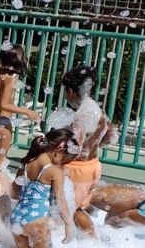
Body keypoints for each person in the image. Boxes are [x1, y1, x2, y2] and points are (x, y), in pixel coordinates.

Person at [48, 64, 117, 236]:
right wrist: (94, 145)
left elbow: (75, 146)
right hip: (93, 165)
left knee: (71, 209)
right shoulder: (97, 109)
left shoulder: (81, 114)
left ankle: (91, 243)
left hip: (77, 169)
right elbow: (111, 136)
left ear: (70, 91)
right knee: (74, 208)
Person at [7, 128, 76, 248]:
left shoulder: (25, 165)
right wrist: (69, 224)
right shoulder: (54, 171)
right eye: (65, 158)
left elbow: (14, 192)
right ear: (59, 150)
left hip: (17, 217)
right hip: (36, 219)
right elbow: (61, 200)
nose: (64, 162)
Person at [0, 48, 38, 156]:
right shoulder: (11, 79)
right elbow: (5, 104)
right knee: (0, 161)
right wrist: (27, 112)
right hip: (2, 122)